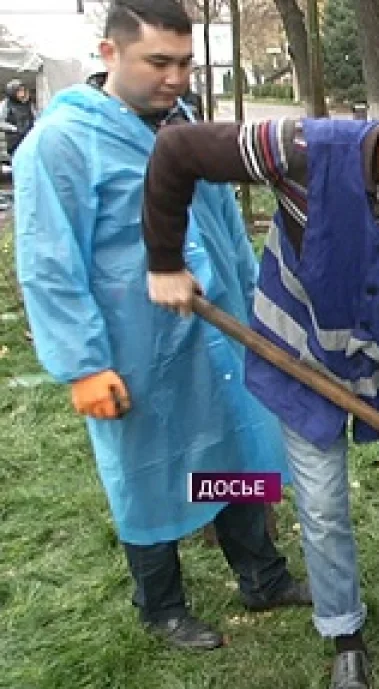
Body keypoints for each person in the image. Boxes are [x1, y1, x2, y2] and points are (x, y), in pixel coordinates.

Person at [140, 69, 379, 688]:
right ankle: (345, 637)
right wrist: (165, 260)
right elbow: (178, 151)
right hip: (302, 364)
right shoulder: (303, 151)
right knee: (324, 508)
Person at [11, 0, 309, 652]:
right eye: (159, 62)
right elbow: (49, 264)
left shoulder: (185, 123)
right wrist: (84, 363)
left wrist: (255, 306)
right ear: (110, 54)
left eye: (185, 62)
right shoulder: (58, 146)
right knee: (146, 469)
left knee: (233, 446)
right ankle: (162, 605)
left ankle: (261, 574)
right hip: (132, 344)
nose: (176, 76)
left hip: (217, 325)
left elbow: (224, 222)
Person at [1, 79, 38, 157]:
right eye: (19, 91)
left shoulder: (28, 103)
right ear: (12, 92)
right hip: (15, 140)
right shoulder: (6, 104)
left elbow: (36, 117)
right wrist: (14, 128)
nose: (22, 93)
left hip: (29, 138)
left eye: (23, 90)